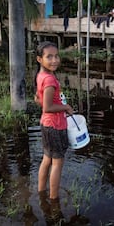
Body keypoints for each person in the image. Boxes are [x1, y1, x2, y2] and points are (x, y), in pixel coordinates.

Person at [34, 41, 74, 202]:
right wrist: (66, 107)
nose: (54, 60)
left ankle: (41, 192)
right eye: (49, 57)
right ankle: (54, 199)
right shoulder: (50, 80)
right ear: (39, 59)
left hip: (46, 125)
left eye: (56, 56)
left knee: (46, 159)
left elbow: (39, 100)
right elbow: (48, 107)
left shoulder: (41, 76)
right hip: (55, 126)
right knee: (57, 163)